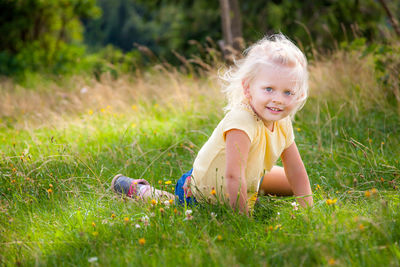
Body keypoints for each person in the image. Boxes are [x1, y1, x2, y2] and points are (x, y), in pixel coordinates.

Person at [112, 33, 313, 216]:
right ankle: (140, 191)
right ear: (248, 88)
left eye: (288, 92)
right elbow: (233, 177)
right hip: (207, 192)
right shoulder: (242, 122)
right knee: (178, 207)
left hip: (248, 178)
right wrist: (242, 221)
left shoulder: (282, 121)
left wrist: (308, 212)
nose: (278, 99)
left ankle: (253, 192)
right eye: (269, 89)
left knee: (293, 182)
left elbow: (296, 169)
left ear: (299, 95)